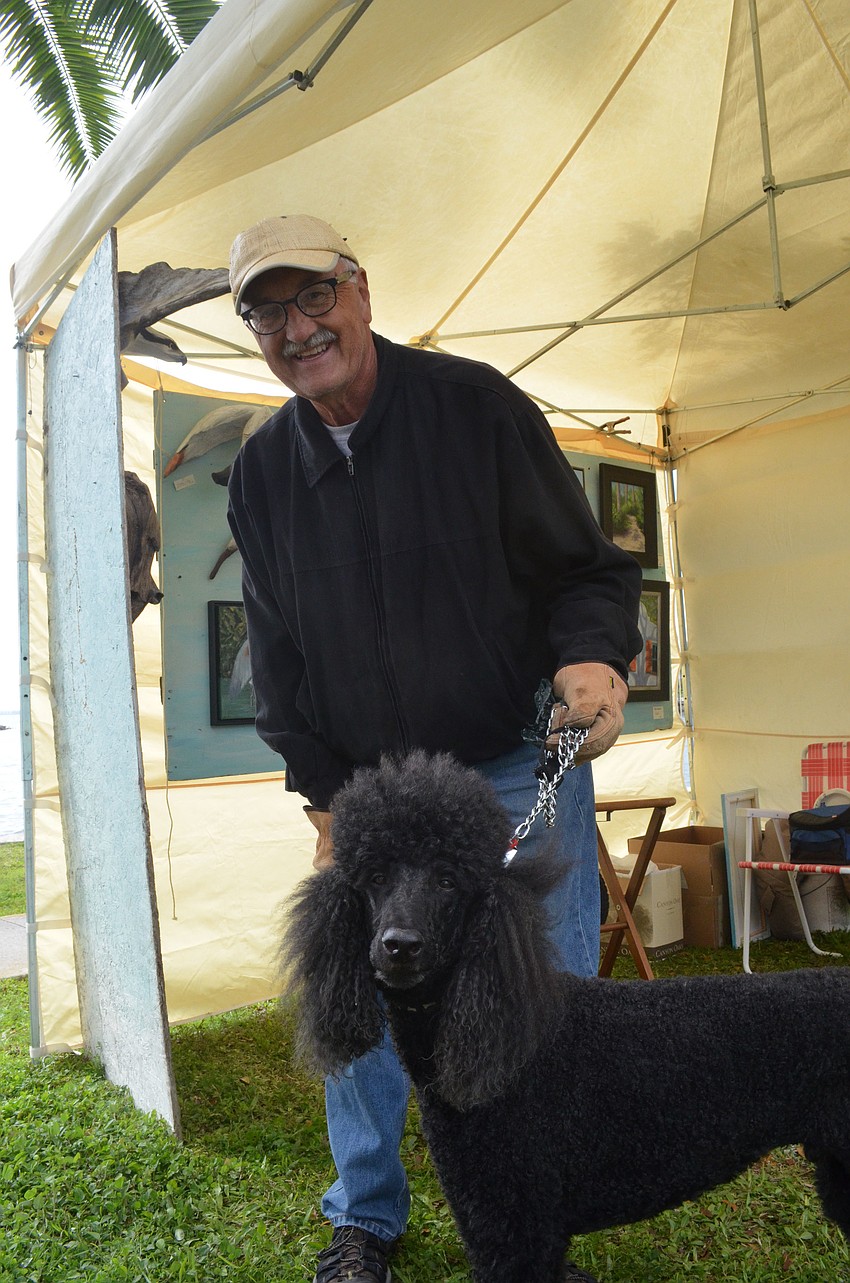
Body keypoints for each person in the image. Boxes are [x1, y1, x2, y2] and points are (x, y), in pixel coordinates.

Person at [226, 214, 642, 1283]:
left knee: (535, 995)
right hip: (368, 793)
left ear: (357, 289)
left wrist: (592, 658)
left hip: (511, 760)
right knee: (357, 985)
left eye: (312, 295)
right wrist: (324, 795)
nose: (296, 326)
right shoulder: (265, 468)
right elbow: (272, 653)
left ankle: (534, 1209)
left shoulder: (476, 406)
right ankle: (365, 1215)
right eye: (266, 311)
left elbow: (587, 572)